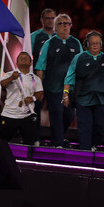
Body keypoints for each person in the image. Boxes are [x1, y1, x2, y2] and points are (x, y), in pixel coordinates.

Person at [63, 31, 104, 151]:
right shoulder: (79, 58)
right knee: (84, 126)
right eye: (92, 43)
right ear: (87, 44)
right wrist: (65, 94)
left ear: (101, 44)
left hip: (103, 98)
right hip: (83, 98)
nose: (95, 45)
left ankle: (94, 144)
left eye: (97, 43)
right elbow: (69, 77)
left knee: (102, 125)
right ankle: (85, 150)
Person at [35, 13, 82, 147]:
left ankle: (57, 136)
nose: (65, 26)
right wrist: (40, 87)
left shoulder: (76, 43)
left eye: (68, 24)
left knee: (68, 115)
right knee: (57, 113)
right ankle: (58, 142)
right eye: (61, 23)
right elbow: (40, 67)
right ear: (55, 27)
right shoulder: (49, 44)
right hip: (53, 87)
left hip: (70, 89)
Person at [0, 52, 44, 145]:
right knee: (2, 142)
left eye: (26, 58)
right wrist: (12, 77)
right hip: (9, 114)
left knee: (28, 143)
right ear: (16, 63)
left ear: (31, 63)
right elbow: (3, 84)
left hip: (26, 115)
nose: (23, 59)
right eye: (21, 58)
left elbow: (40, 92)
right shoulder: (9, 74)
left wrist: (33, 99)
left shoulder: (35, 78)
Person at [30, 8, 56, 144]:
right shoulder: (34, 37)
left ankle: (56, 140)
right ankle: (35, 139)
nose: (50, 21)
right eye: (47, 18)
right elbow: (28, 58)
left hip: (55, 80)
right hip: (37, 78)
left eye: (53, 18)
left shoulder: (60, 37)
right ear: (42, 20)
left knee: (57, 110)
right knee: (36, 108)